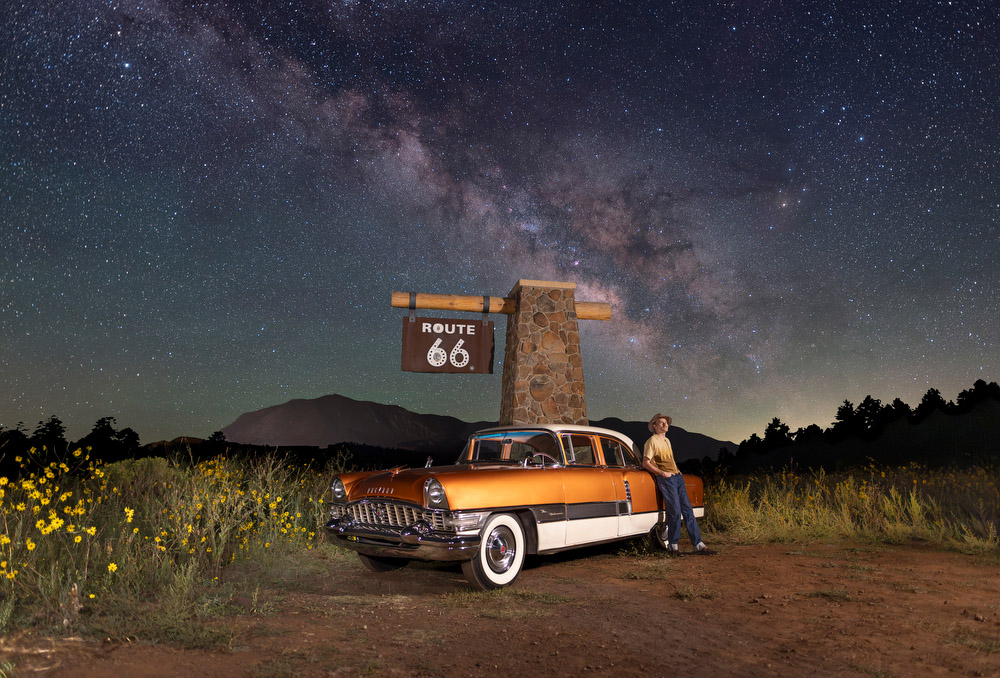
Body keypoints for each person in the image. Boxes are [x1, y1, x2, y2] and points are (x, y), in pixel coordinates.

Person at [642, 413, 714, 555]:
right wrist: (662, 473)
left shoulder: (667, 441)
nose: (665, 424)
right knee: (674, 511)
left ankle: (698, 545)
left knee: (688, 511)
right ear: (654, 426)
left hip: (677, 477)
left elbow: (670, 460)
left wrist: (677, 471)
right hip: (666, 479)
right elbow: (645, 463)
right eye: (661, 423)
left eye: (666, 422)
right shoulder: (652, 441)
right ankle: (673, 547)